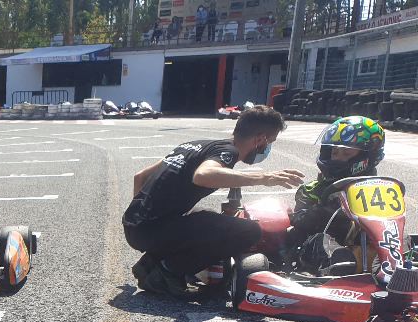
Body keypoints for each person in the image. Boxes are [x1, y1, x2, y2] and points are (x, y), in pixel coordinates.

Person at [124, 105, 304, 297]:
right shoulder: (228, 152)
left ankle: (151, 262)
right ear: (260, 140)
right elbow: (203, 175)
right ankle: (167, 272)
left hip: (134, 226)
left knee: (204, 217)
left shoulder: (197, 145)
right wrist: (264, 178)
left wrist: (144, 219)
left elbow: (140, 177)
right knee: (249, 231)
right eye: (270, 143)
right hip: (151, 230)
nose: (267, 149)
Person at [286, 116, 387, 270]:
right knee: (321, 240)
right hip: (323, 255)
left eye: (346, 154)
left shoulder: (382, 191)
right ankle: (340, 267)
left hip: (371, 251)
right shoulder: (312, 190)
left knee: (401, 240)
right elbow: (298, 224)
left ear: (368, 156)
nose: (337, 158)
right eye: (334, 153)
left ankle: (397, 269)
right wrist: (322, 212)